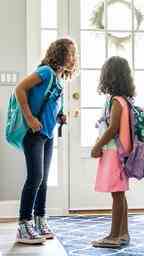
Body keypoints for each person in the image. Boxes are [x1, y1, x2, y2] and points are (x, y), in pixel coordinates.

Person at [15, 38, 78, 244]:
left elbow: (49, 102)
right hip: (34, 134)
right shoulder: (45, 72)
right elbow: (20, 89)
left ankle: (40, 219)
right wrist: (30, 118)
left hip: (47, 134)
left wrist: (59, 115)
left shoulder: (58, 78)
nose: (73, 58)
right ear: (59, 54)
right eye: (70, 53)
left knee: (43, 180)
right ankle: (24, 225)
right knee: (35, 178)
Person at [91, 56, 134, 249]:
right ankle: (123, 233)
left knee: (117, 194)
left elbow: (113, 128)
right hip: (119, 153)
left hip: (114, 153)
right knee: (119, 194)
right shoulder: (124, 99)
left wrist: (97, 145)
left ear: (109, 77)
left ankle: (114, 236)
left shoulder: (116, 101)